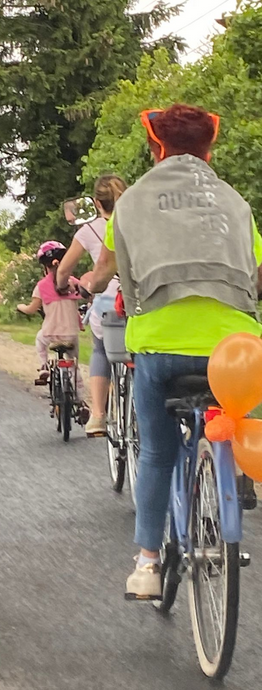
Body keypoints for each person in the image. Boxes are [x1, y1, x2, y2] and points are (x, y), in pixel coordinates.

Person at [88, 104, 262, 600]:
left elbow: (113, 270)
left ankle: (146, 565)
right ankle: (235, 474)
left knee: (159, 452)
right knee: (237, 406)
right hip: (235, 354)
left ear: (156, 147)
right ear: (209, 148)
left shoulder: (132, 203)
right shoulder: (234, 203)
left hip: (161, 350)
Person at [56, 175, 127, 437]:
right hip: (137, 299)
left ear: (96, 202)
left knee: (100, 349)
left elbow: (63, 270)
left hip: (107, 301)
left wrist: (62, 286)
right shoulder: (137, 224)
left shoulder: (88, 230)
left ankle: (98, 415)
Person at [17, 241, 86, 404]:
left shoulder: (41, 286)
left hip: (50, 333)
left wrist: (21, 307)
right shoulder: (73, 282)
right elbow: (86, 293)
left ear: (44, 266)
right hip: (71, 334)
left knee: (40, 340)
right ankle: (80, 400)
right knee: (73, 367)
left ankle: (44, 367)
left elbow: (31, 309)